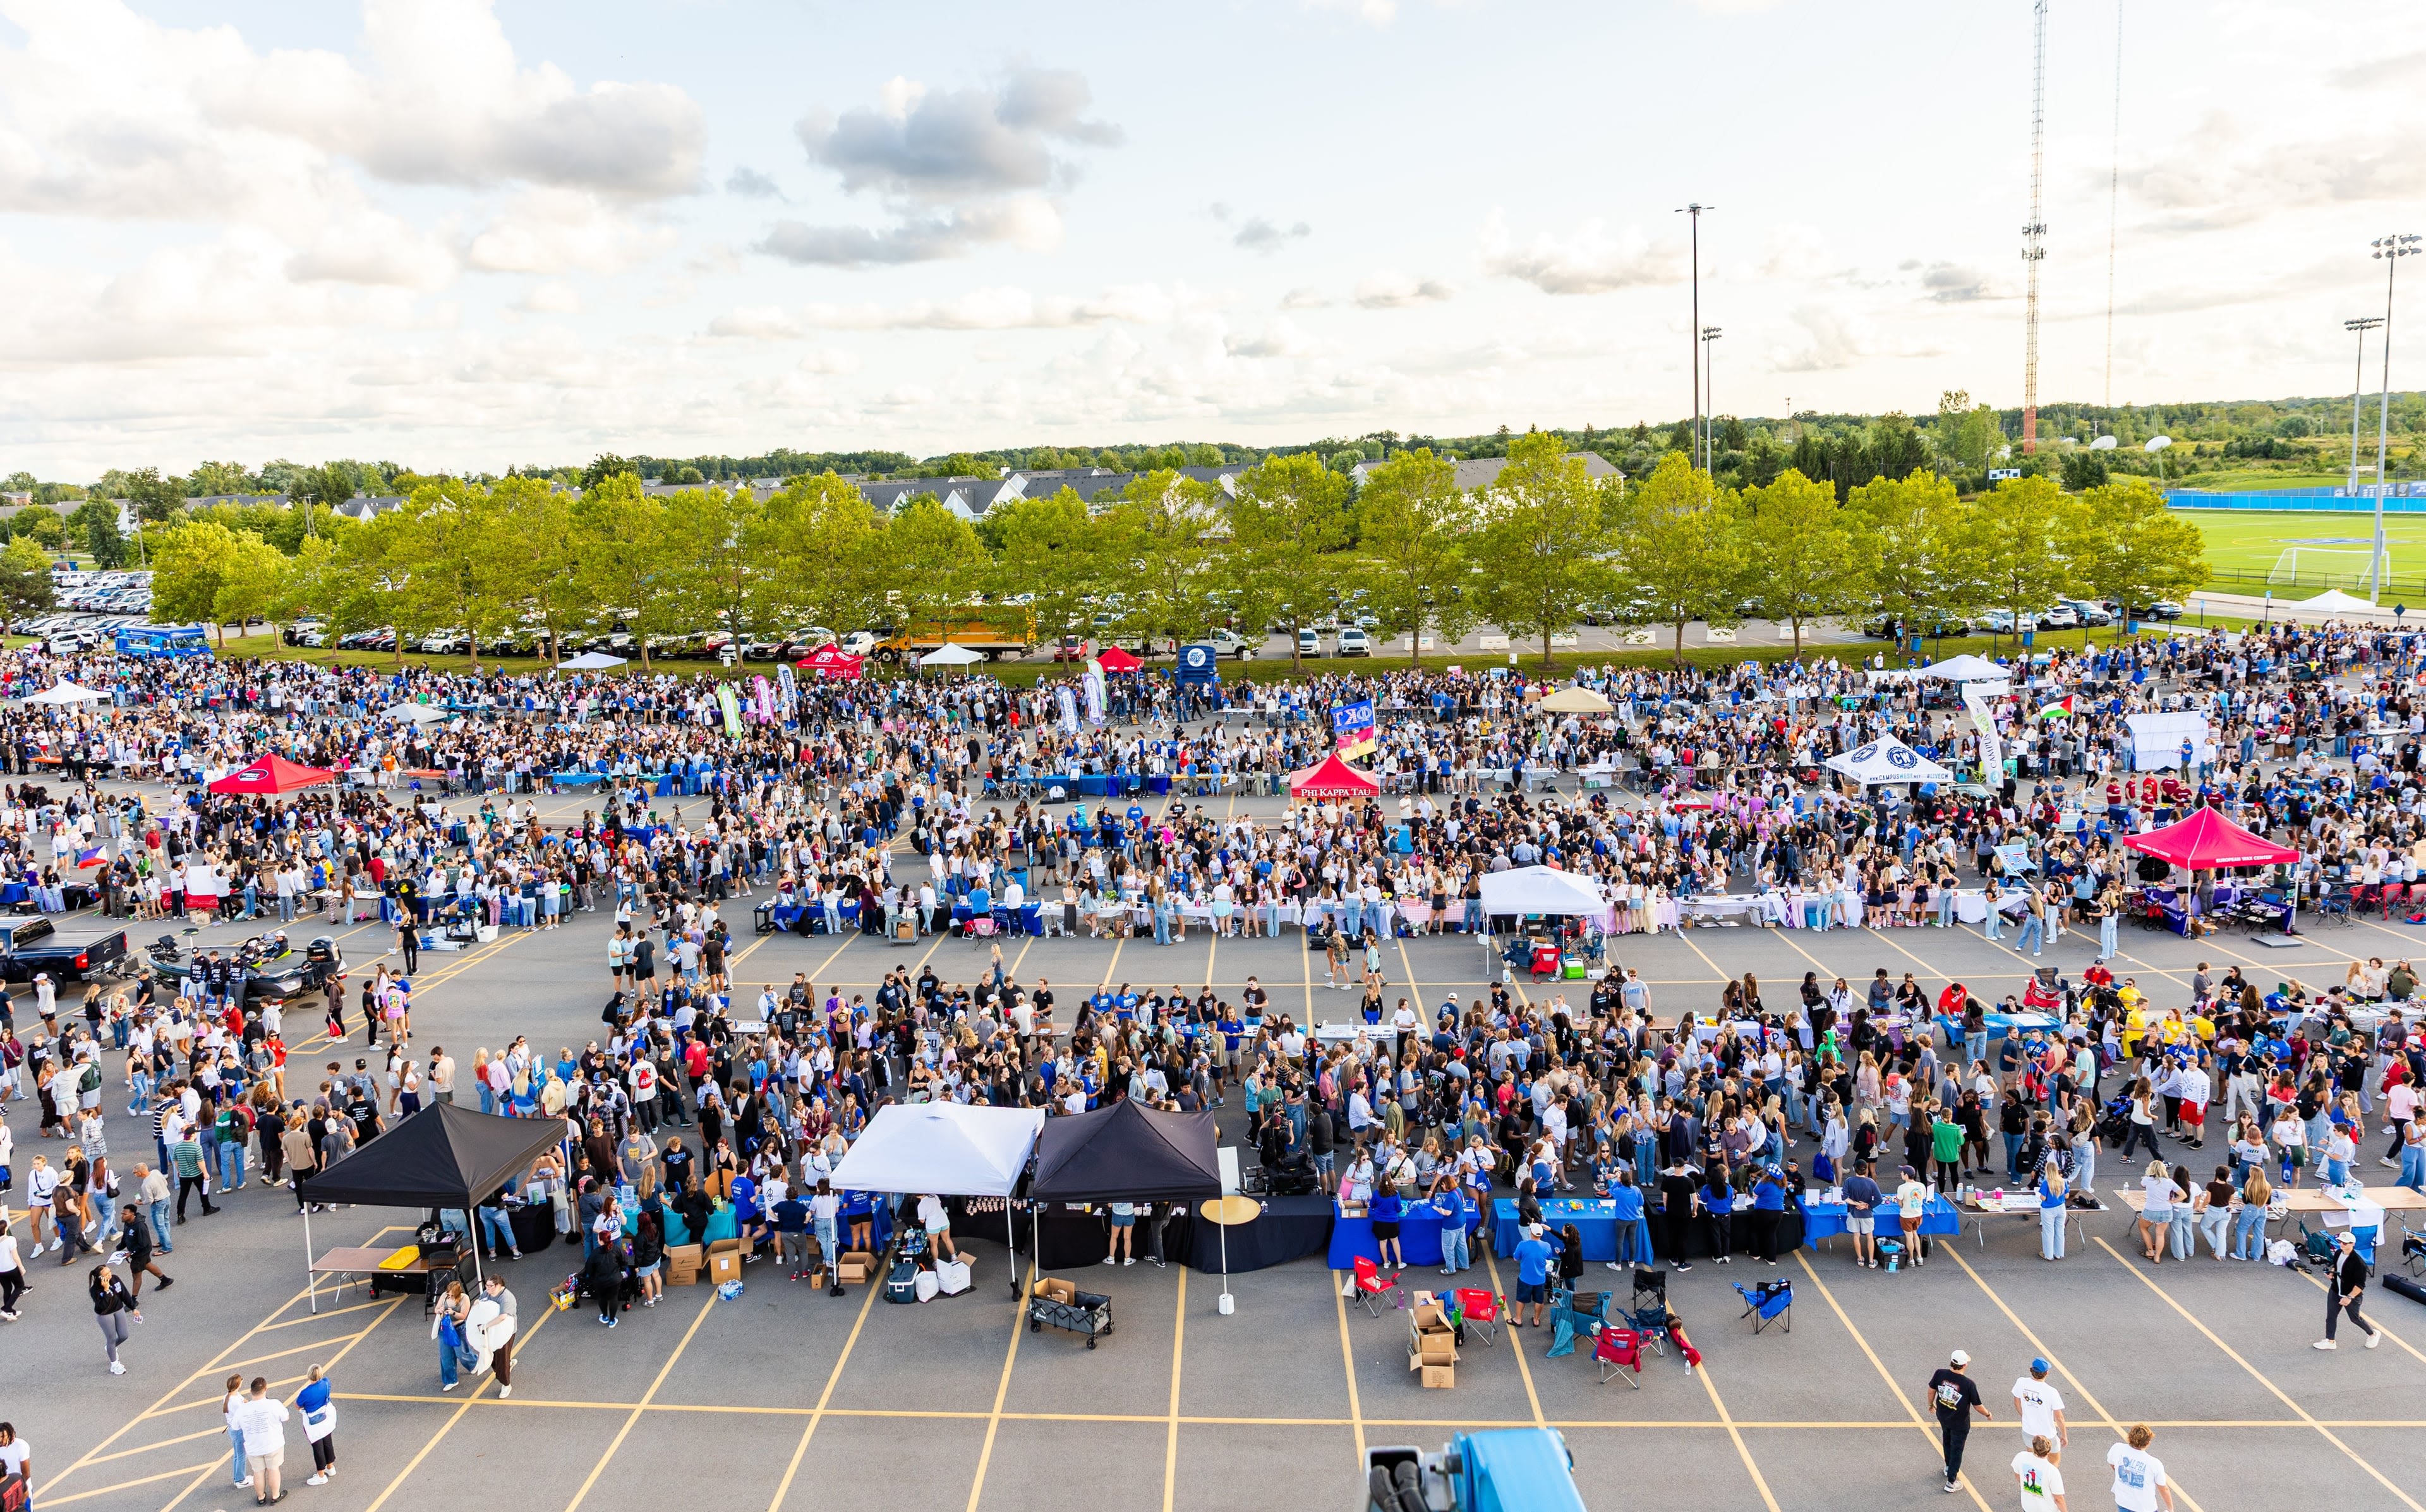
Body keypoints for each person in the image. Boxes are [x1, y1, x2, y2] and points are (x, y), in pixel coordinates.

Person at [1921, 1348, 1990, 1494]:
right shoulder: (1968, 1384)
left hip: (1943, 1416)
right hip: (1960, 1423)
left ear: (1952, 1362)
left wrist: (1930, 1404)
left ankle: (1948, 1467)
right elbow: (1977, 1406)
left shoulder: (1940, 1374)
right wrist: (1988, 1414)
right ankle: (1952, 1482)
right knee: (1957, 1449)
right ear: (1965, 1365)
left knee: (1947, 1440)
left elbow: (1931, 1390)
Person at [2315, 1230, 2382, 1350]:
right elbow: (2336, 1266)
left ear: (2352, 1244)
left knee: (2355, 1318)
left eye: (2345, 1243)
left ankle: (2373, 1334)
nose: (2342, 1245)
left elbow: (2360, 1285)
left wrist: (2349, 1297)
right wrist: (2332, 1272)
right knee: (2331, 1316)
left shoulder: (2358, 1264)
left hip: (2351, 1296)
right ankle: (2330, 1341)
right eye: (2341, 1242)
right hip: (2336, 1290)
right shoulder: (2338, 1253)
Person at [231, 1374, 289, 1505]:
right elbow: (286, 1417)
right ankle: (275, 1495)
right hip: (273, 1444)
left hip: (253, 1447)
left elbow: (235, 1427)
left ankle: (261, 1497)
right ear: (265, 1389)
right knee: (273, 1469)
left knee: (258, 1472)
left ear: (251, 1391)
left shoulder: (242, 1409)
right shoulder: (274, 1404)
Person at [2106, 1424, 2172, 1512]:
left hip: (2123, 1502)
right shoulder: (2154, 1463)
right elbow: (2164, 1488)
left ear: (2130, 1437)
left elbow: (2112, 1464)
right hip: (2145, 1508)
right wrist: (2170, 1509)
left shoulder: (2117, 1448)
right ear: (2148, 1443)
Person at [473, 1274, 517, 1397]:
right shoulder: (487, 1294)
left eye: (490, 1286)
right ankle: (506, 1366)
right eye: (486, 1285)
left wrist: (485, 1326)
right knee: (491, 1354)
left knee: (502, 1358)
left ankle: (506, 1384)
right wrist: (477, 1303)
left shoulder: (506, 1298)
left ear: (498, 1285)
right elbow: (481, 1302)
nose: (487, 1288)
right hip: (491, 1330)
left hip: (505, 1332)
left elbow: (503, 1317)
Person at [88, 1263, 135, 1375]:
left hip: (118, 1309)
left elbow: (124, 1293)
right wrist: (106, 1290)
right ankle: (114, 1365)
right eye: (107, 1274)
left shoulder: (115, 1279)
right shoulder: (95, 1290)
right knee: (112, 1339)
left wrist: (133, 1307)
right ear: (100, 1277)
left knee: (124, 1335)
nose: (110, 1275)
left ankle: (111, 1349)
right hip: (105, 1315)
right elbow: (103, 1305)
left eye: (110, 1272)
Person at [2012, 1359, 2067, 1449]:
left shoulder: (2021, 1382)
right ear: (2047, 1373)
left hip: (2028, 1430)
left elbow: (2017, 1402)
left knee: (2032, 1458)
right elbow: (2059, 1418)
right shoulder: (2052, 1392)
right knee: (2054, 1460)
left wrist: (2025, 1416)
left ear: (2031, 1370)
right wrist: (2064, 1435)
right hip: (2048, 1434)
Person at [298, 1363, 338, 1485]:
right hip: (326, 1417)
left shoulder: (305, 1392)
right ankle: (330, 1467)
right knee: (327, 1440)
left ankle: (321, 1475)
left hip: (314, 1422)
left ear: (309, 1375)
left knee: (317, 1446)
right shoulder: (326, 1383)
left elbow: (298, 1405)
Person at [1512, 1221, 1555, 1327]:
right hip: (1540, 1279)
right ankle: (1536, 1320)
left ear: (1531, 1233)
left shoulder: (1523, 1245)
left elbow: (1515, 1258)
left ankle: (1518, 1319)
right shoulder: (1547, 1246)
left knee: (1521, 1299)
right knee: (1539, 1301)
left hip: (1525, 1279)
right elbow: (1549, 1258)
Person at [1843, 1160, 1883, 1269]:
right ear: (1866, 1169)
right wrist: (1867, 1206)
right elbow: (1879, 1199)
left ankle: (1860, 1259)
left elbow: (1845, 1198)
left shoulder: (1849, 1181)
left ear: (1854, 1168)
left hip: (1853, 1213)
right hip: (1867, 1214)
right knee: (1870, 1236)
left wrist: (1856, 1204)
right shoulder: (1871, 1182)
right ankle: (1871, 1261)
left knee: (1856, 1235)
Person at [2012, 1434, 2066, 1512]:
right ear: (2048, 1452)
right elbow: (2058, 1499)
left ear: (2034, 1448)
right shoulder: (2052, 1471)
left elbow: (2018, 1476)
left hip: (2028, 1507)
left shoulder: (2021, 1457)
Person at [1894, 1164, 1931, 1267]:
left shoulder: (1902, 1188)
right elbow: (1923, 1198)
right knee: (1915, 1234)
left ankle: (1911, 1258)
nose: (1901, 1174)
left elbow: (1900, 1203)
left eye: (1902, 1172)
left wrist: (1902, 1204)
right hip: (1918, 1215)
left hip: (1907, 1216)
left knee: (1909, 1236)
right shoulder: (1921, 1186)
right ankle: (1919, 1257)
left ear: (1906, 1175)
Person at [1104, 1199, 1135, 1266]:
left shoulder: (1114, 1190)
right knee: (1127, 1238)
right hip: (1129, 1214)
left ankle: (1111, 1258)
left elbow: (1110, 1205)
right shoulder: (1130, 1189)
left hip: (1117, 1215)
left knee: (1114, 1237)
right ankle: (1127, 1259)